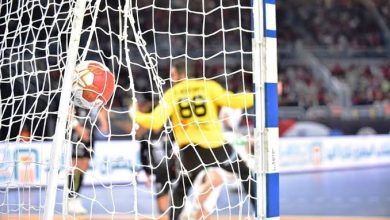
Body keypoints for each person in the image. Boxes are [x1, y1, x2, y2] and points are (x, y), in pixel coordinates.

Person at [129, 60, 256, 220]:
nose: (171, 77)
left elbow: (155, 122)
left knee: (182, 187)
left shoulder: (173, 93)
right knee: (244, 172)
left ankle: (174, 217)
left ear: (179, 73)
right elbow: (234, 101)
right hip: (216, 146)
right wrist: (261, 94)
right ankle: (259, 211)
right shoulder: (208, 86)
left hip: (190, 150)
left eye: (173, 74)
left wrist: (135, 114)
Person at [66, 105, 108, 215]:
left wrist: (103, 121)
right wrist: (78, 128)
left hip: (90, 134)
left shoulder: (97, 97)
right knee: (75, 166)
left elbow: (101, 108)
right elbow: (67, 111)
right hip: (78, 133)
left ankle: (76, 197)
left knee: (84, 166)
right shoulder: (78, 95)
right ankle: (71, 199)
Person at [137, 101, 177, 216]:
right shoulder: (146, 136)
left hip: (173, 168)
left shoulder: (169, 132)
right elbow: (143, 156)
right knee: (161, 196)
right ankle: (163, 214)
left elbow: (178, 147)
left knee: (178, 191)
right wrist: (147, 174)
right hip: (159, 171)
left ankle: (182, 210)